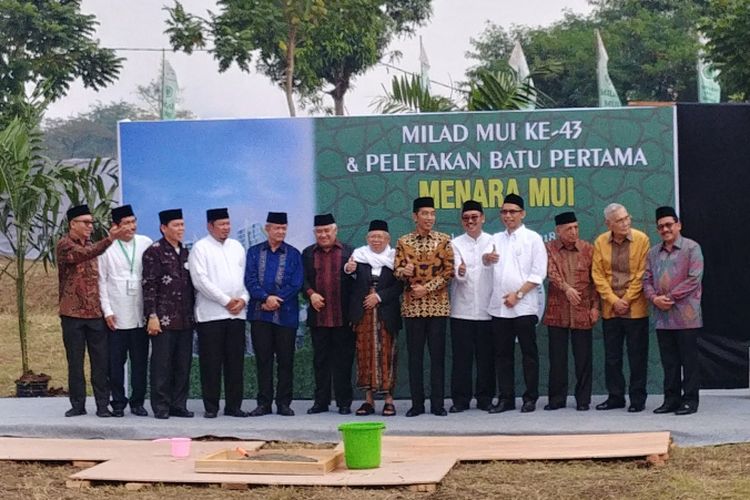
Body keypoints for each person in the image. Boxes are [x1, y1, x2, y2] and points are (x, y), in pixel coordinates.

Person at [57, 204, 127, 417]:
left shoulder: (95, 246)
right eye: (85, 222)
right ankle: (78, 405)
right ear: (73, 224)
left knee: (101, 362)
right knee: (76, 363)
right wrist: (109, 239)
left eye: (91, 222)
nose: (90, 226)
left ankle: (102, 405)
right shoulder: (65, 245)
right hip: (72, 314)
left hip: (95, 313)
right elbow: (84, 254)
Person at [486, 193, 547, 414]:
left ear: (523, 214)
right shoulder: (495, 239)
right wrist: (486, 260)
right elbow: (487, 263)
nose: (508, 215)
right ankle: (506, 398)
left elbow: (538, 273)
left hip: (524, 306)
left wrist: (518, 295)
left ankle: (530, 397)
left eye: (513, 211)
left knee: (528, 354)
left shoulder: (533, 238)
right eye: (504, 212)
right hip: (500, 308)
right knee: (502, 355)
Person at [394, 196, 454, 417]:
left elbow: (449, 272)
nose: (429, 218)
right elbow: (397, 270)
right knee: (415, 358)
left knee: (437, 357)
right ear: (415, 216)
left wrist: (427, 288)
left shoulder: (444, 240)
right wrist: (404, 272)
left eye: (432, 214)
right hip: (412, 308)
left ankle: (437, 404)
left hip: (438, 308)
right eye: (425, 214)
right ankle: (416, 404)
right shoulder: (403, 241)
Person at [189, 208, 249, 419]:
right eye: (221, 224)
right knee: (211, 363)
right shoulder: (200, 248)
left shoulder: (237, 246)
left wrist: (243, 299)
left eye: (228, 224)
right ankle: (211, 407)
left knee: (235, 363)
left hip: (237, 314)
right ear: (210, 226)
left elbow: (245, 278)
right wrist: (225, 300)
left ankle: (234, 406)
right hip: (211, 315)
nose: (226, 228)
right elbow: (200, 280)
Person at [644, 206, 704, 415]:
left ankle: (689, 401)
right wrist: (654, 298)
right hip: (662, 317)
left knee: (688, 362)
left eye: (669, 224)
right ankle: (670, 400)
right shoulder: (652, 252)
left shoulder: (691, 248)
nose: (665, 229)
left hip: (687, 316)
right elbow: (647, 280)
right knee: (669, 363)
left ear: (678, 225)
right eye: (661, 226)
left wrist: (668, 298)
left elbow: (694, 279)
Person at [592, 203, 650, 412]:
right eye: (619, 220)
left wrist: (626, 299)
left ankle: (637, 399)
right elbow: (597, 275)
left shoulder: (642, 239)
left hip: (635, 308)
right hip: (610, 309)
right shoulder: (600, 242)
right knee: (612, 357)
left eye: (627, 218)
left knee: (637, 356)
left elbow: (642, 273)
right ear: (609, 224)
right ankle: (615, 396)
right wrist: (613, 300)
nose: (625, 223)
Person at [244, 211, 303, 417]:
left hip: (286, 315)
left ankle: (284, 403)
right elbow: (249, 280)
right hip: (260, 315)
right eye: (276, 228)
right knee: (263, 360)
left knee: (286, 361)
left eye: (283, 228)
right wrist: (264, 297)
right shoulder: (253, 252)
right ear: (267, 229)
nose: (280, 232)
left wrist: (276, 299)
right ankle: (263, 403)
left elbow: (296, 283)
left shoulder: (294, 254)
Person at [98, 204, 152, 417]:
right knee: (115, 364)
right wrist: (107, 311)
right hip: (116, 315)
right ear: (115, 226)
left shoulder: (145, 243)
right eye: (127, 223)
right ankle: (118, 402)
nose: (132, 227)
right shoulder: (106, 249)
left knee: (140, 362)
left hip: (139, 314)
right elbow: (101, 282)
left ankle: (138, 402)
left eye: (133, 222)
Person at [345, 220, 403, 417]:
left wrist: (378, 297)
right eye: (372, 237)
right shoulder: (359, 256)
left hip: (386, 313)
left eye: (380, 237)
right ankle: (368, 401)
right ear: (367, 239)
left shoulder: (396, 258)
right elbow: (349, 280)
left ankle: (388, 401)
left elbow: (399, 286)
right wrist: (348, 270)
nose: (376, 240)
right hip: (363, 313)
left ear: (388, 239)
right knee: (364, 354)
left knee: (387, 354)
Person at [142, 208, 195, 420]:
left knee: (183, 364)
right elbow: (149, 285)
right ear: (164, 228)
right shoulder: (153, 252)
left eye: (182, 225)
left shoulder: (186, 251)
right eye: (176, 225)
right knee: (161, 365)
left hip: (185, 318)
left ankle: (178, 404)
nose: (180, 229)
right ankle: (161, 406)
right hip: (162, 318)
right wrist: (151, 316)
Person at [543, 211, 598, 412]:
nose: (574, 232)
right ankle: (557, 399)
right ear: (558, 231)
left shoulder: (588, 249)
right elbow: (551, 272)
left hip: (582, 311)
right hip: (556, 311)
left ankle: (583, 400)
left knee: (583, 358)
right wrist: (566, 288)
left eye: (576, 227)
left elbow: (595, 281)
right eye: (569, 229)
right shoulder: (548, 248)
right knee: (557, 359)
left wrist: (595, 307)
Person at [302, 214, 354, 415]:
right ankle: (321, 402)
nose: (323, 235)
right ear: (315, 233)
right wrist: (311, 294)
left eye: (327, 231)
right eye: (319, 231)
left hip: (343, 318)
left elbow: (358, 282)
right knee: (320, 362)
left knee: (344, 362)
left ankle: (344, 402)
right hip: (319, 318)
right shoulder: (307, 253)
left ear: (335, 231)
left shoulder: (349, 252)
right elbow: (303, 280)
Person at [448, 200, 495, 412]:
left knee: (486, 358)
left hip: (488, 310)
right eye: (466, 218)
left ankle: (485, 398)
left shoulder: (494, 241)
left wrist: (487, 261)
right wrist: (461, 272)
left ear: (483, 218)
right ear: (461, 221)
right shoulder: (455, 243)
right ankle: (460, 400)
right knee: (461, 359)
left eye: (474, 217)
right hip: (462, 310)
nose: (470, 221)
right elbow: (458, 272)